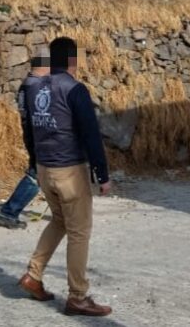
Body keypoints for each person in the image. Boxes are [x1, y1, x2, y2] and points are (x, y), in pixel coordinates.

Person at [17, 37, 113, 317]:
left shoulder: (33, 88)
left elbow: (28, 130)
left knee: (59, 221)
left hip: (45, 169)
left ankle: (33, 275)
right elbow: (91, 134)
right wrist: (102, 174)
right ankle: (78, 297)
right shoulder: (74, 89)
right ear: (74, 60)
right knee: (79, 232)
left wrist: (34, 163)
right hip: (69, 171)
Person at [0, 48, 50, 230]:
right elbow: (42, 114)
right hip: (39, 136)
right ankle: (8, 212)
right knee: (36, 174)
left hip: (32, 134)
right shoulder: (37, 86)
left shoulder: (27, 84)